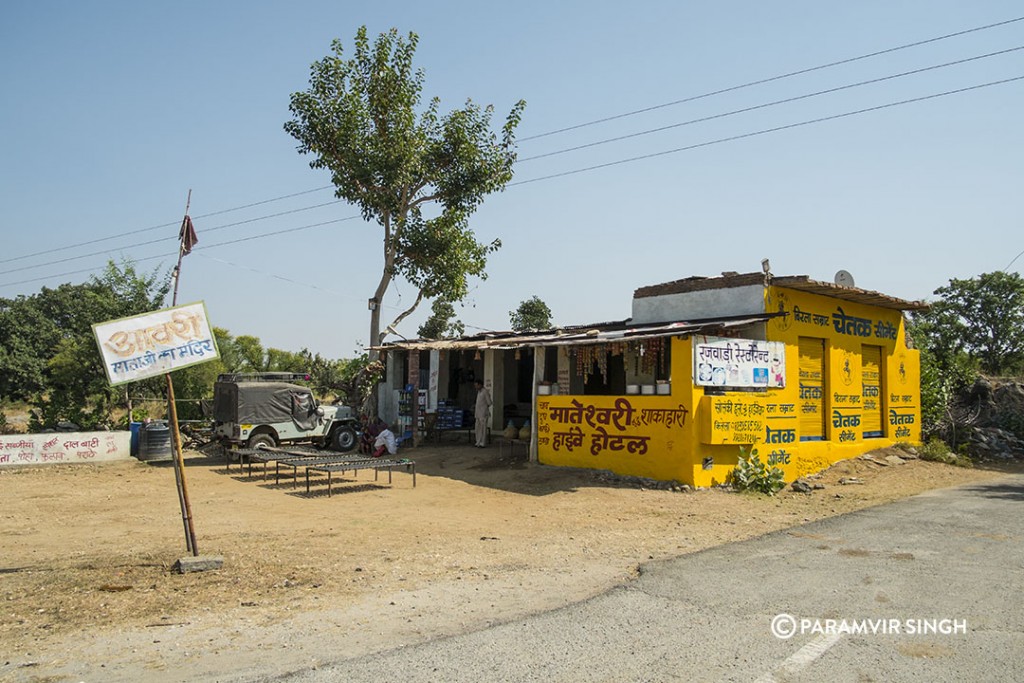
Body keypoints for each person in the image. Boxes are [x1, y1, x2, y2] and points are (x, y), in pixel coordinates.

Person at [474, 379, 492, 448]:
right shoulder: (479, 392)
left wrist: (484, 408)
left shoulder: (485, 392)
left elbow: (489, 402)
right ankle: (477, 442)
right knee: (477, 428)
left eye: (477, 385)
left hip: (483, 413)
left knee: (483, 429)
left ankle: (482, 443)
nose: (476, 387)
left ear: (480, 385)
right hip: (478, 413)